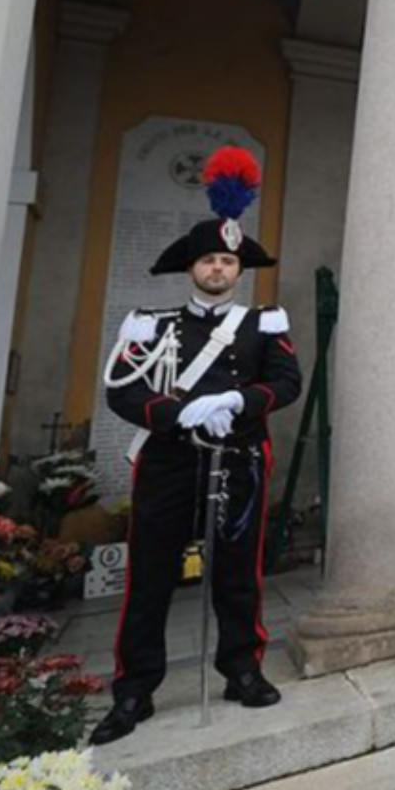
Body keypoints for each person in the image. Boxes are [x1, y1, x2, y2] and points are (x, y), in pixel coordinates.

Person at [93, 147, 302, 746]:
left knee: (238, 574)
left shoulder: (264, 324)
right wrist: (182, 411)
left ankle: (241, 666)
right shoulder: (151, 325)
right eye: (209, 259)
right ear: (192, 267)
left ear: (240, 270)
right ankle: (135, 686)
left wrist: (237, 403)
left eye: (228, 261)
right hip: (170, 460)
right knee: (151, 576)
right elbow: (122, 393)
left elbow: (287, 383)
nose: (218, 269)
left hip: (237, 460)